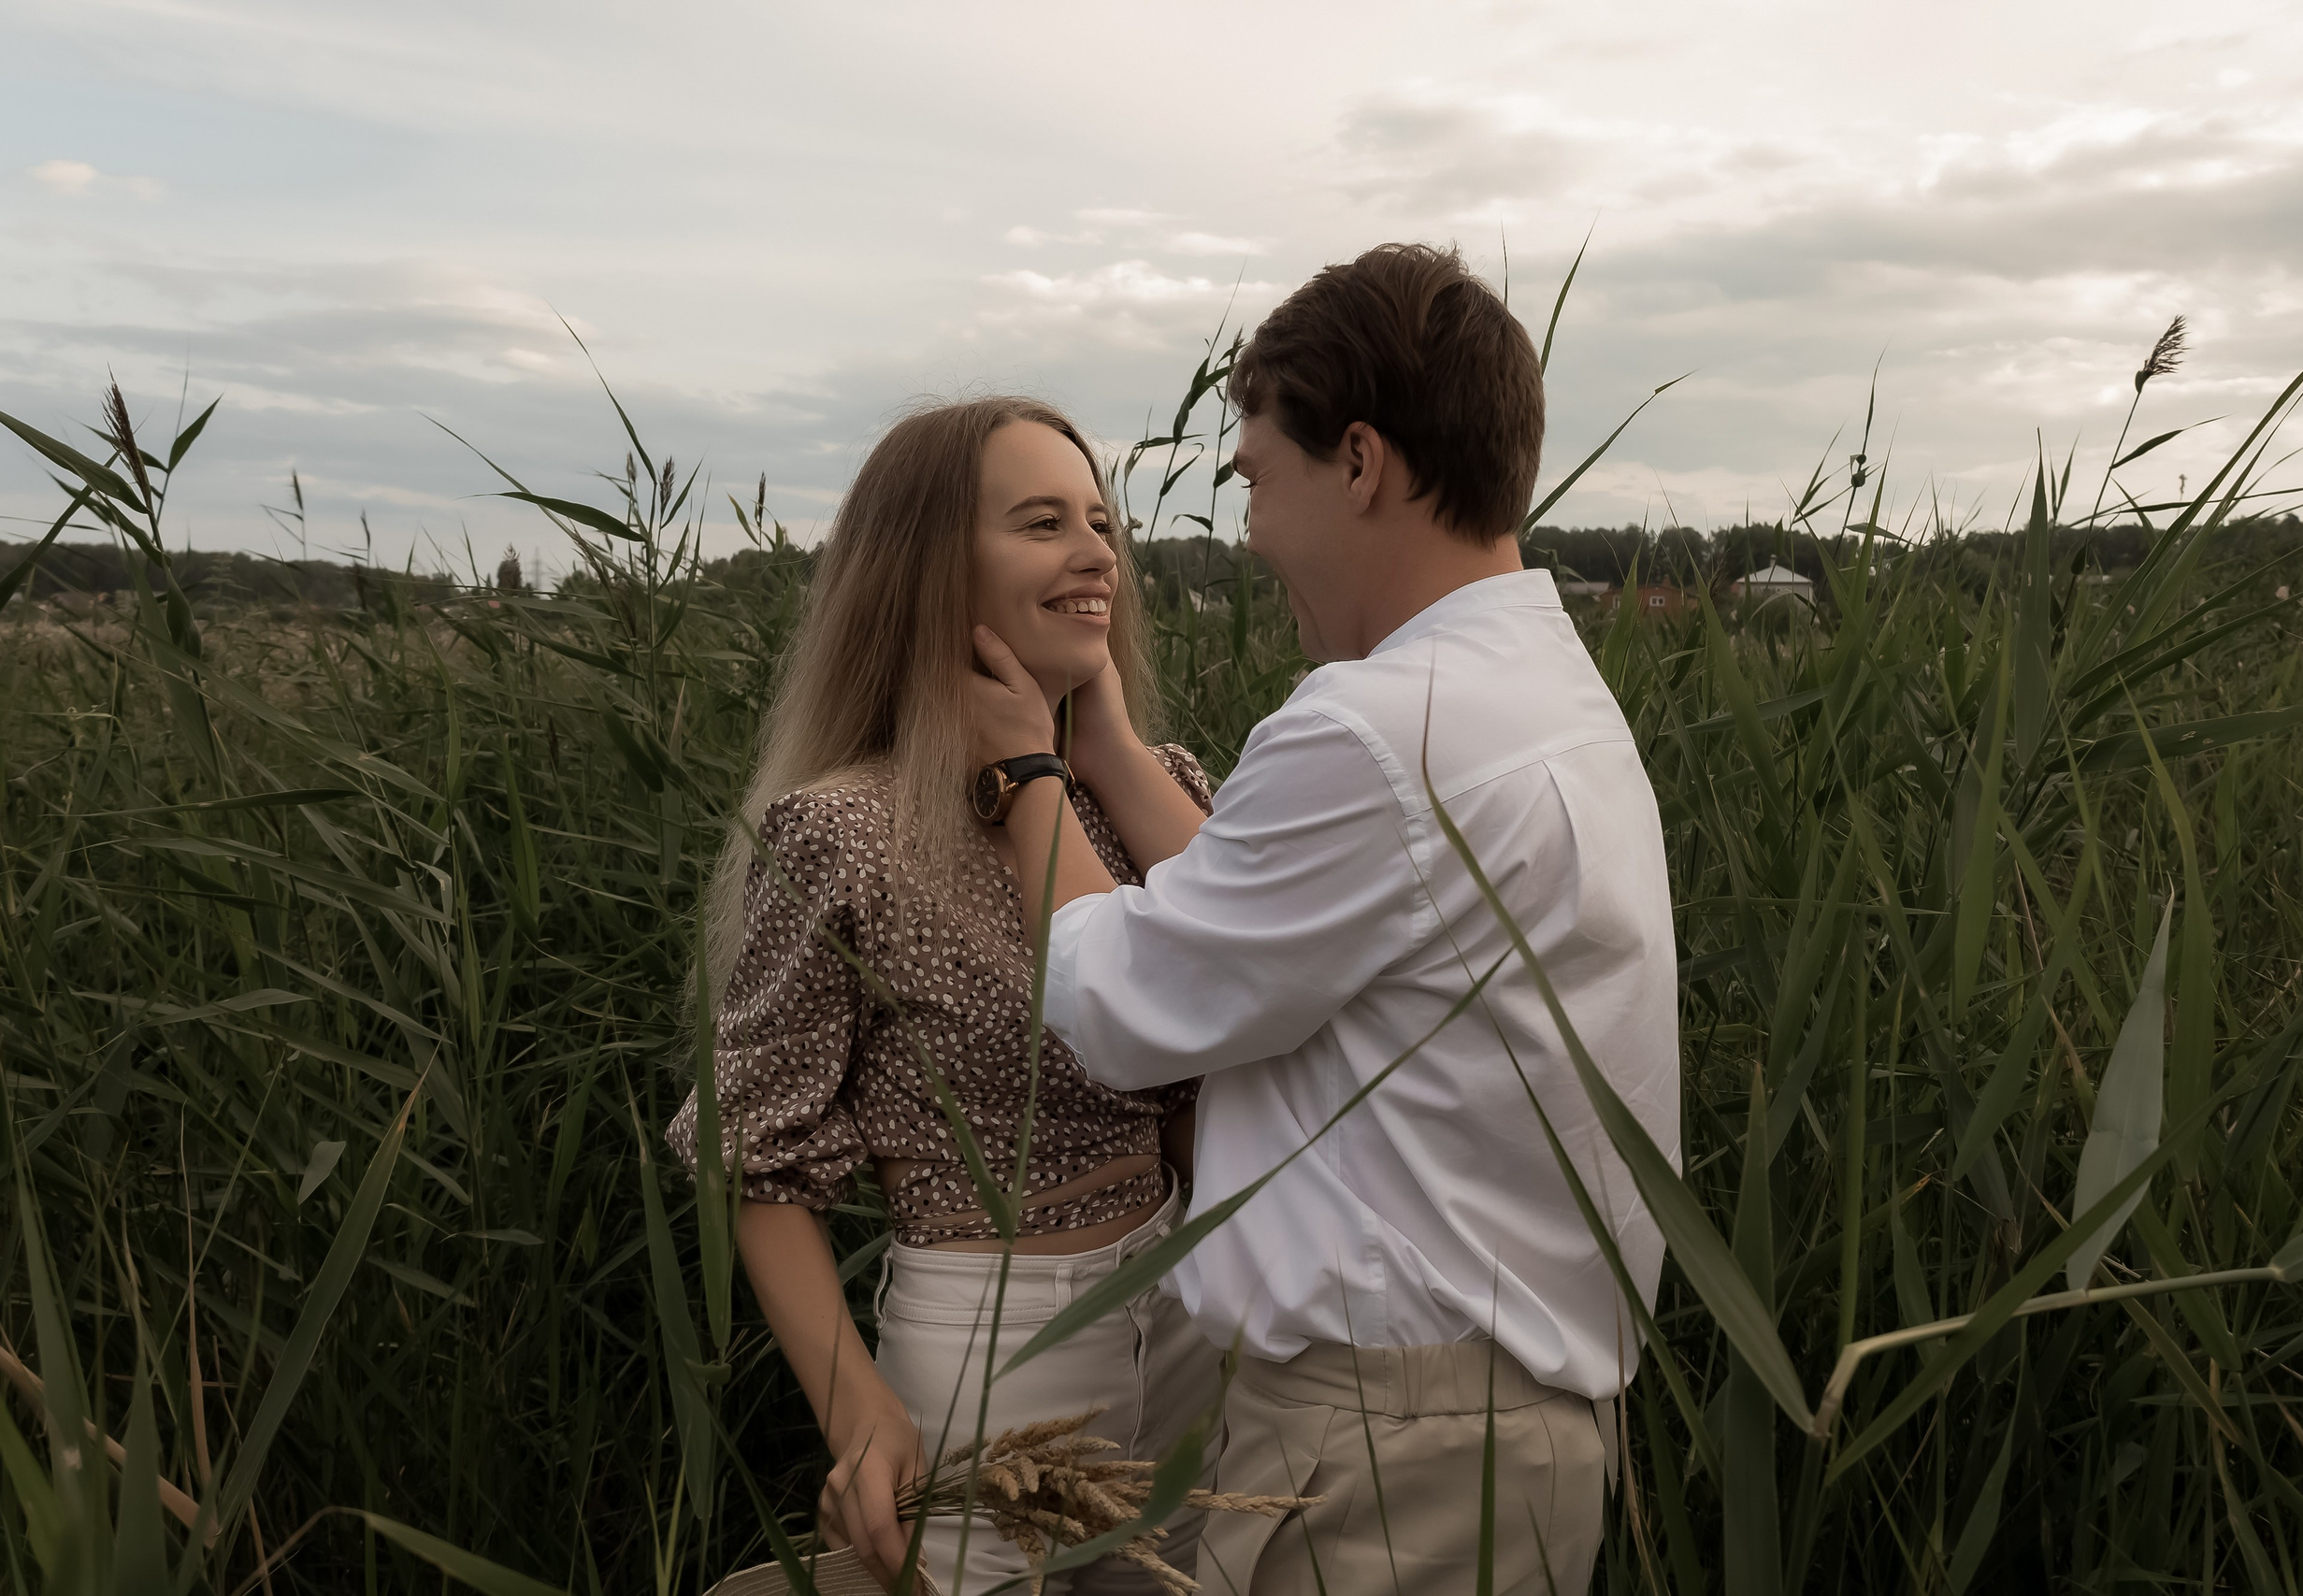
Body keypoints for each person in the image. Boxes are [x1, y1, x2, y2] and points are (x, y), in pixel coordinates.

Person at [966, 244, 1678, 1595]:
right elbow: (1262, 928)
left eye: (1255, 479)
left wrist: (1022, 772)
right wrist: (1111, 744)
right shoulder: (1532, 688)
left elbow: (1127, 996)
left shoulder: (1378, 724)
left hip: (1387, 1447)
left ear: (1359, 461)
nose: (1250, 531)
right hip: (1488, 1427)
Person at [669, 396, 1223, 1595]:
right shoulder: (846, 829)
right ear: (931, 570)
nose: (1095, 555)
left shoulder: (1151, 786)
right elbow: (753, 1154)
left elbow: (1246, 984)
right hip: (991, 1342)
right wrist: (857, 1409)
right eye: (1040, 523)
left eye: (1097, 521)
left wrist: (1104, 746)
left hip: (1185, 1295)